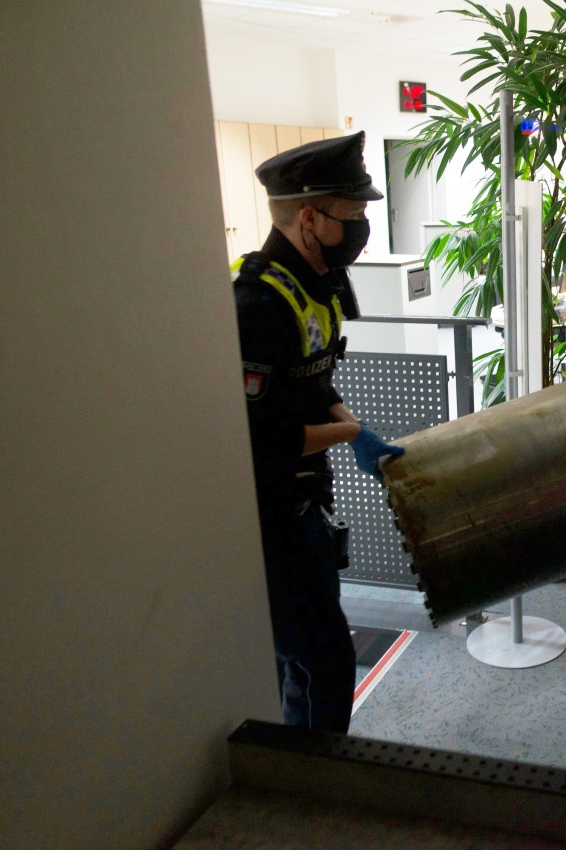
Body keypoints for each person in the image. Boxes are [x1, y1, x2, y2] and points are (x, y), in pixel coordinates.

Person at [234, 131, 403, 732]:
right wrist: (349, 433)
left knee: (312, 654)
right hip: (270, 509)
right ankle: (319, 780)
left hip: (307, 500)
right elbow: (259, 438)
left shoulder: (319, 284)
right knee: (318, 659)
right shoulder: (256, 305)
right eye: (351, 216)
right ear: (308, 217)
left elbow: (312, 380)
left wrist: (346, 425)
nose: (359, 229)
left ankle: (308, 756)